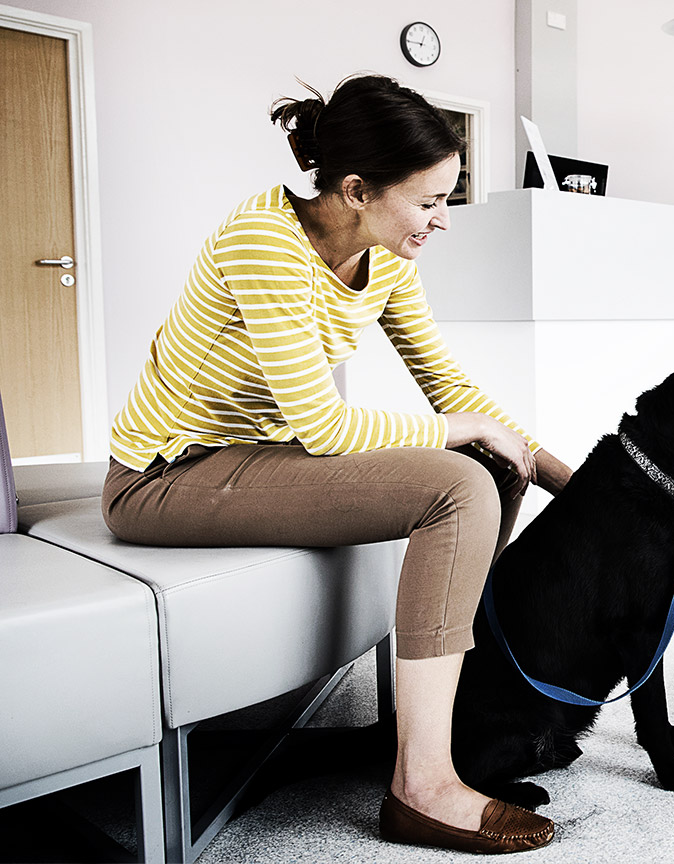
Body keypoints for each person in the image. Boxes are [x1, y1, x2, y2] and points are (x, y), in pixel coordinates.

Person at [102, 75, 571, 855]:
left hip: (257, 457)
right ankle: (422, 789)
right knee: (459, 480)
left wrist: (564, 477)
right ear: (355, 189)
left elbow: (448, 385)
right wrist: (463, 431)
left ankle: (449, 723)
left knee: (488, 468)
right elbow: (322, 425)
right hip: (164, 477)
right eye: (427, 202)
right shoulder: (264, 241)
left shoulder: (382, 258)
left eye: (446, 200)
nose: (441, 221)